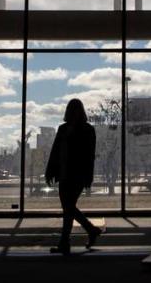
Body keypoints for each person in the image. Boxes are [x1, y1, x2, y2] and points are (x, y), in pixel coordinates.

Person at [44, 98, 103, 255]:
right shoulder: (70, 129)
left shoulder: (79, 130)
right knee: (68, 208)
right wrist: (50, 171)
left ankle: (66, 242)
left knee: (68, 208)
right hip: (67, 174)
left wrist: (50, 171)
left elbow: (88, 155)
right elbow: (56, 151)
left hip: (75, 175)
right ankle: (90, 230)